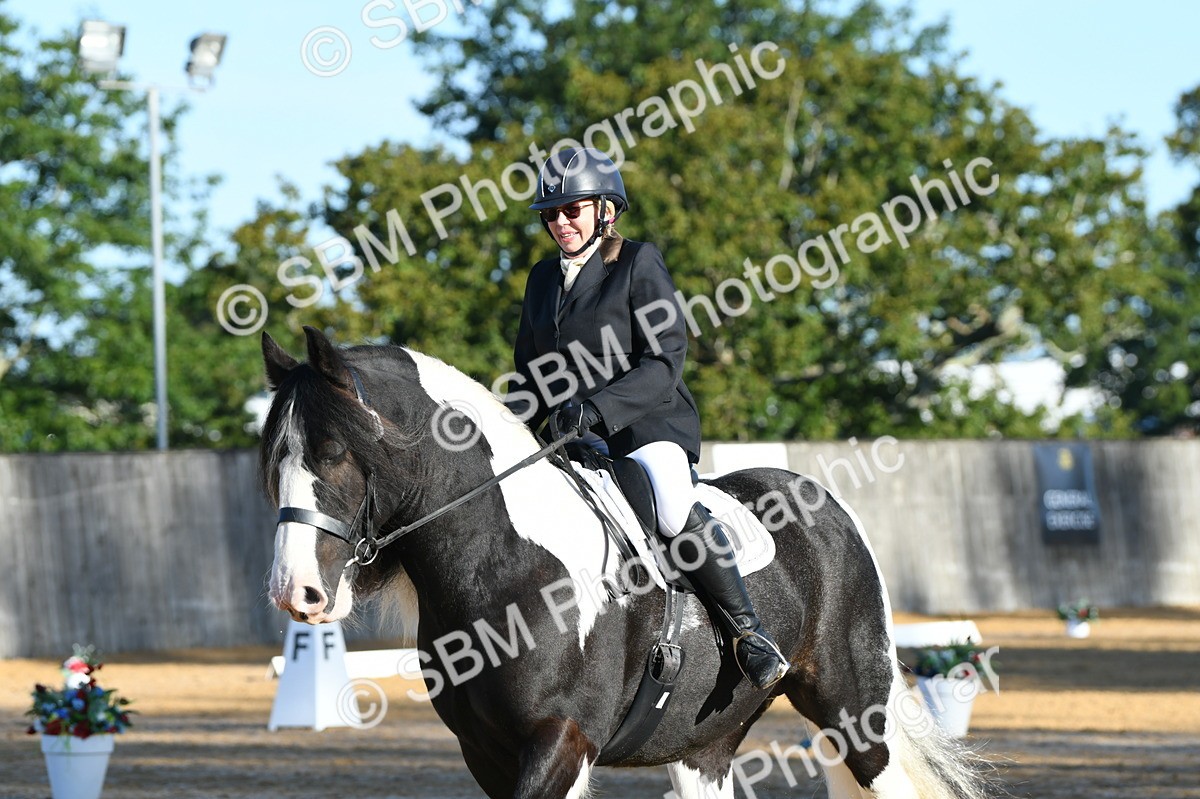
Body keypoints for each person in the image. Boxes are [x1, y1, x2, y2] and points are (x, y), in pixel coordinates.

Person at [504, 146, 788, 689]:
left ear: (605, 211)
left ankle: (746, 633)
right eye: (551, 214)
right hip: (573, 440)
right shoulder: (542, 280)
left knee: (673, 509)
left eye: (572, 210)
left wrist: (595, 409)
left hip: (645, 429)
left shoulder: (637, 263)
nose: (560, 222)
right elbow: (530, 374)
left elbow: (664, 360)